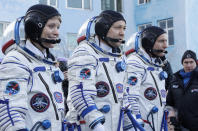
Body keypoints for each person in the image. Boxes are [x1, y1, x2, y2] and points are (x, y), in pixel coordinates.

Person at [66, 10, 137, 131]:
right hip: (89, 125)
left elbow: (124, 96)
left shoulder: (119, 59)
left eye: (124, 28)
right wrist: (97, 124)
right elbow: (80, 93)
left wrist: (131, 124)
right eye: (117, 28)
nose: (122, 33)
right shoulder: (85, 52)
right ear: (103, 28)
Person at [0, 4, 65, 131]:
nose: (56, 32)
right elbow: (9, 110)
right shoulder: (16, 60)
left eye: (58, 27)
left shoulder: (50, 63)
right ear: (34, 27)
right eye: (51, 26)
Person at [125, 26, 168, 131]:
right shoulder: (135, 63)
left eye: (166, 41)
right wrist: (136, 123)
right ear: (149, 42)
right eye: (161, 41)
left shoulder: (156, 65)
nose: (166, 45)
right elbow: (130, 97)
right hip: (142, 126)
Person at [166, 50, 198, 131]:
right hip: (179, 126)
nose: (189, 65)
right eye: (186, 62)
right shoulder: (175, 79)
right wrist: (171, 114)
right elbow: (169, 103)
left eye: (191, 62)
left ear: (196, 62)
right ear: (182, 63)